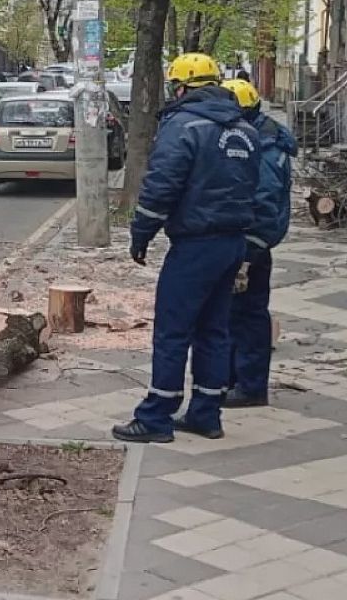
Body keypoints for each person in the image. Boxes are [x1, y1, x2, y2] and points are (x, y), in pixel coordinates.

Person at [113, 52, 260, 444]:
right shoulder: (246, 130)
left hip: (195, 244)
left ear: (181, 87)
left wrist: (141, 232)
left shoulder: (184, 125)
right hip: (233, 243)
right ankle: (206, 414)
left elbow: (161, 185)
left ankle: (156, 417)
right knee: (214, 330)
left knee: (173, 330)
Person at [222, 78, 296, 408]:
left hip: (251, 246)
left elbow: (264, 202)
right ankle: (236, 378)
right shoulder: (259, 138)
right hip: (247, 241)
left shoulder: (264, 149)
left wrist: (249, 251)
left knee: (248, 315)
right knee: (235, 313)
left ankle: (250, 386)